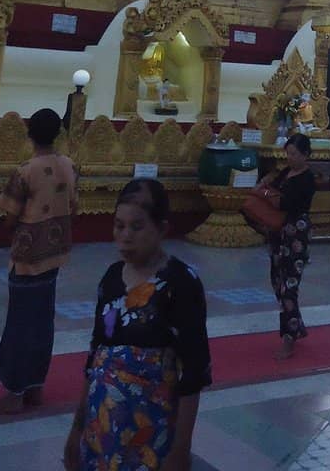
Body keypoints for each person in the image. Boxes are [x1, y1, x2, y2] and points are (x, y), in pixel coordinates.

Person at [64, 178, 211, 471]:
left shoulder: (180, 284)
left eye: (137, 226)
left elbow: (194, 373)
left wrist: (181, 450)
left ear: (162, 229)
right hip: (101, 430)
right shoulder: (111, 281)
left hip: (151, 435)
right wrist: (77, 429)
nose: (126, 236)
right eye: (119, 226)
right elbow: (98, 352)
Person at [0, 107, 77, 414]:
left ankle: (14, 392)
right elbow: (74, 206)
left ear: (29, 133)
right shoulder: (68, 165)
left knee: (20, 324)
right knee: (42, 322)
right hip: (54, 254)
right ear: (58, 134)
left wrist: (3, 232)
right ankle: (35, 387)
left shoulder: (26, 170)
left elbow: (11, 216)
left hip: (27, 257)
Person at [258, 133, 316, 360]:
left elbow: (282, 202)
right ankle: (296, 326)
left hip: (296, 235)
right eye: (288, 153)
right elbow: (269, 188)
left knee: (289, 288)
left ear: (305, 155)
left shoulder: (307, 179)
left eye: (294, 154)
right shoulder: (285, 173)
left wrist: (265, 193)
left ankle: (288, 339)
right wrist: (265, 186)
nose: (290, 158)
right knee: (277, 281)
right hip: (278, 233)